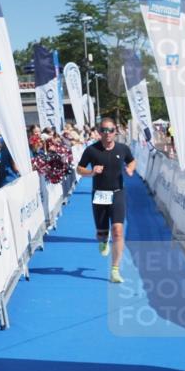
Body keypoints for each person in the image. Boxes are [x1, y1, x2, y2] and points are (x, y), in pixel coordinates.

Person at [76, 117, 136, 284]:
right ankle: (103, 240)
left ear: (115, 131)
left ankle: (115, 270)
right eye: (104, 130)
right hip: (99, 195)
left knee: (118, 231)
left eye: (111, 130)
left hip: (117, 193)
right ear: (99, 132)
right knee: (102, 233)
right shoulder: (91, 150)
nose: (107, 133)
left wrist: (130, 169)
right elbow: (79, 169)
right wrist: (91, 172)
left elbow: (132, 161)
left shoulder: (122, 148)